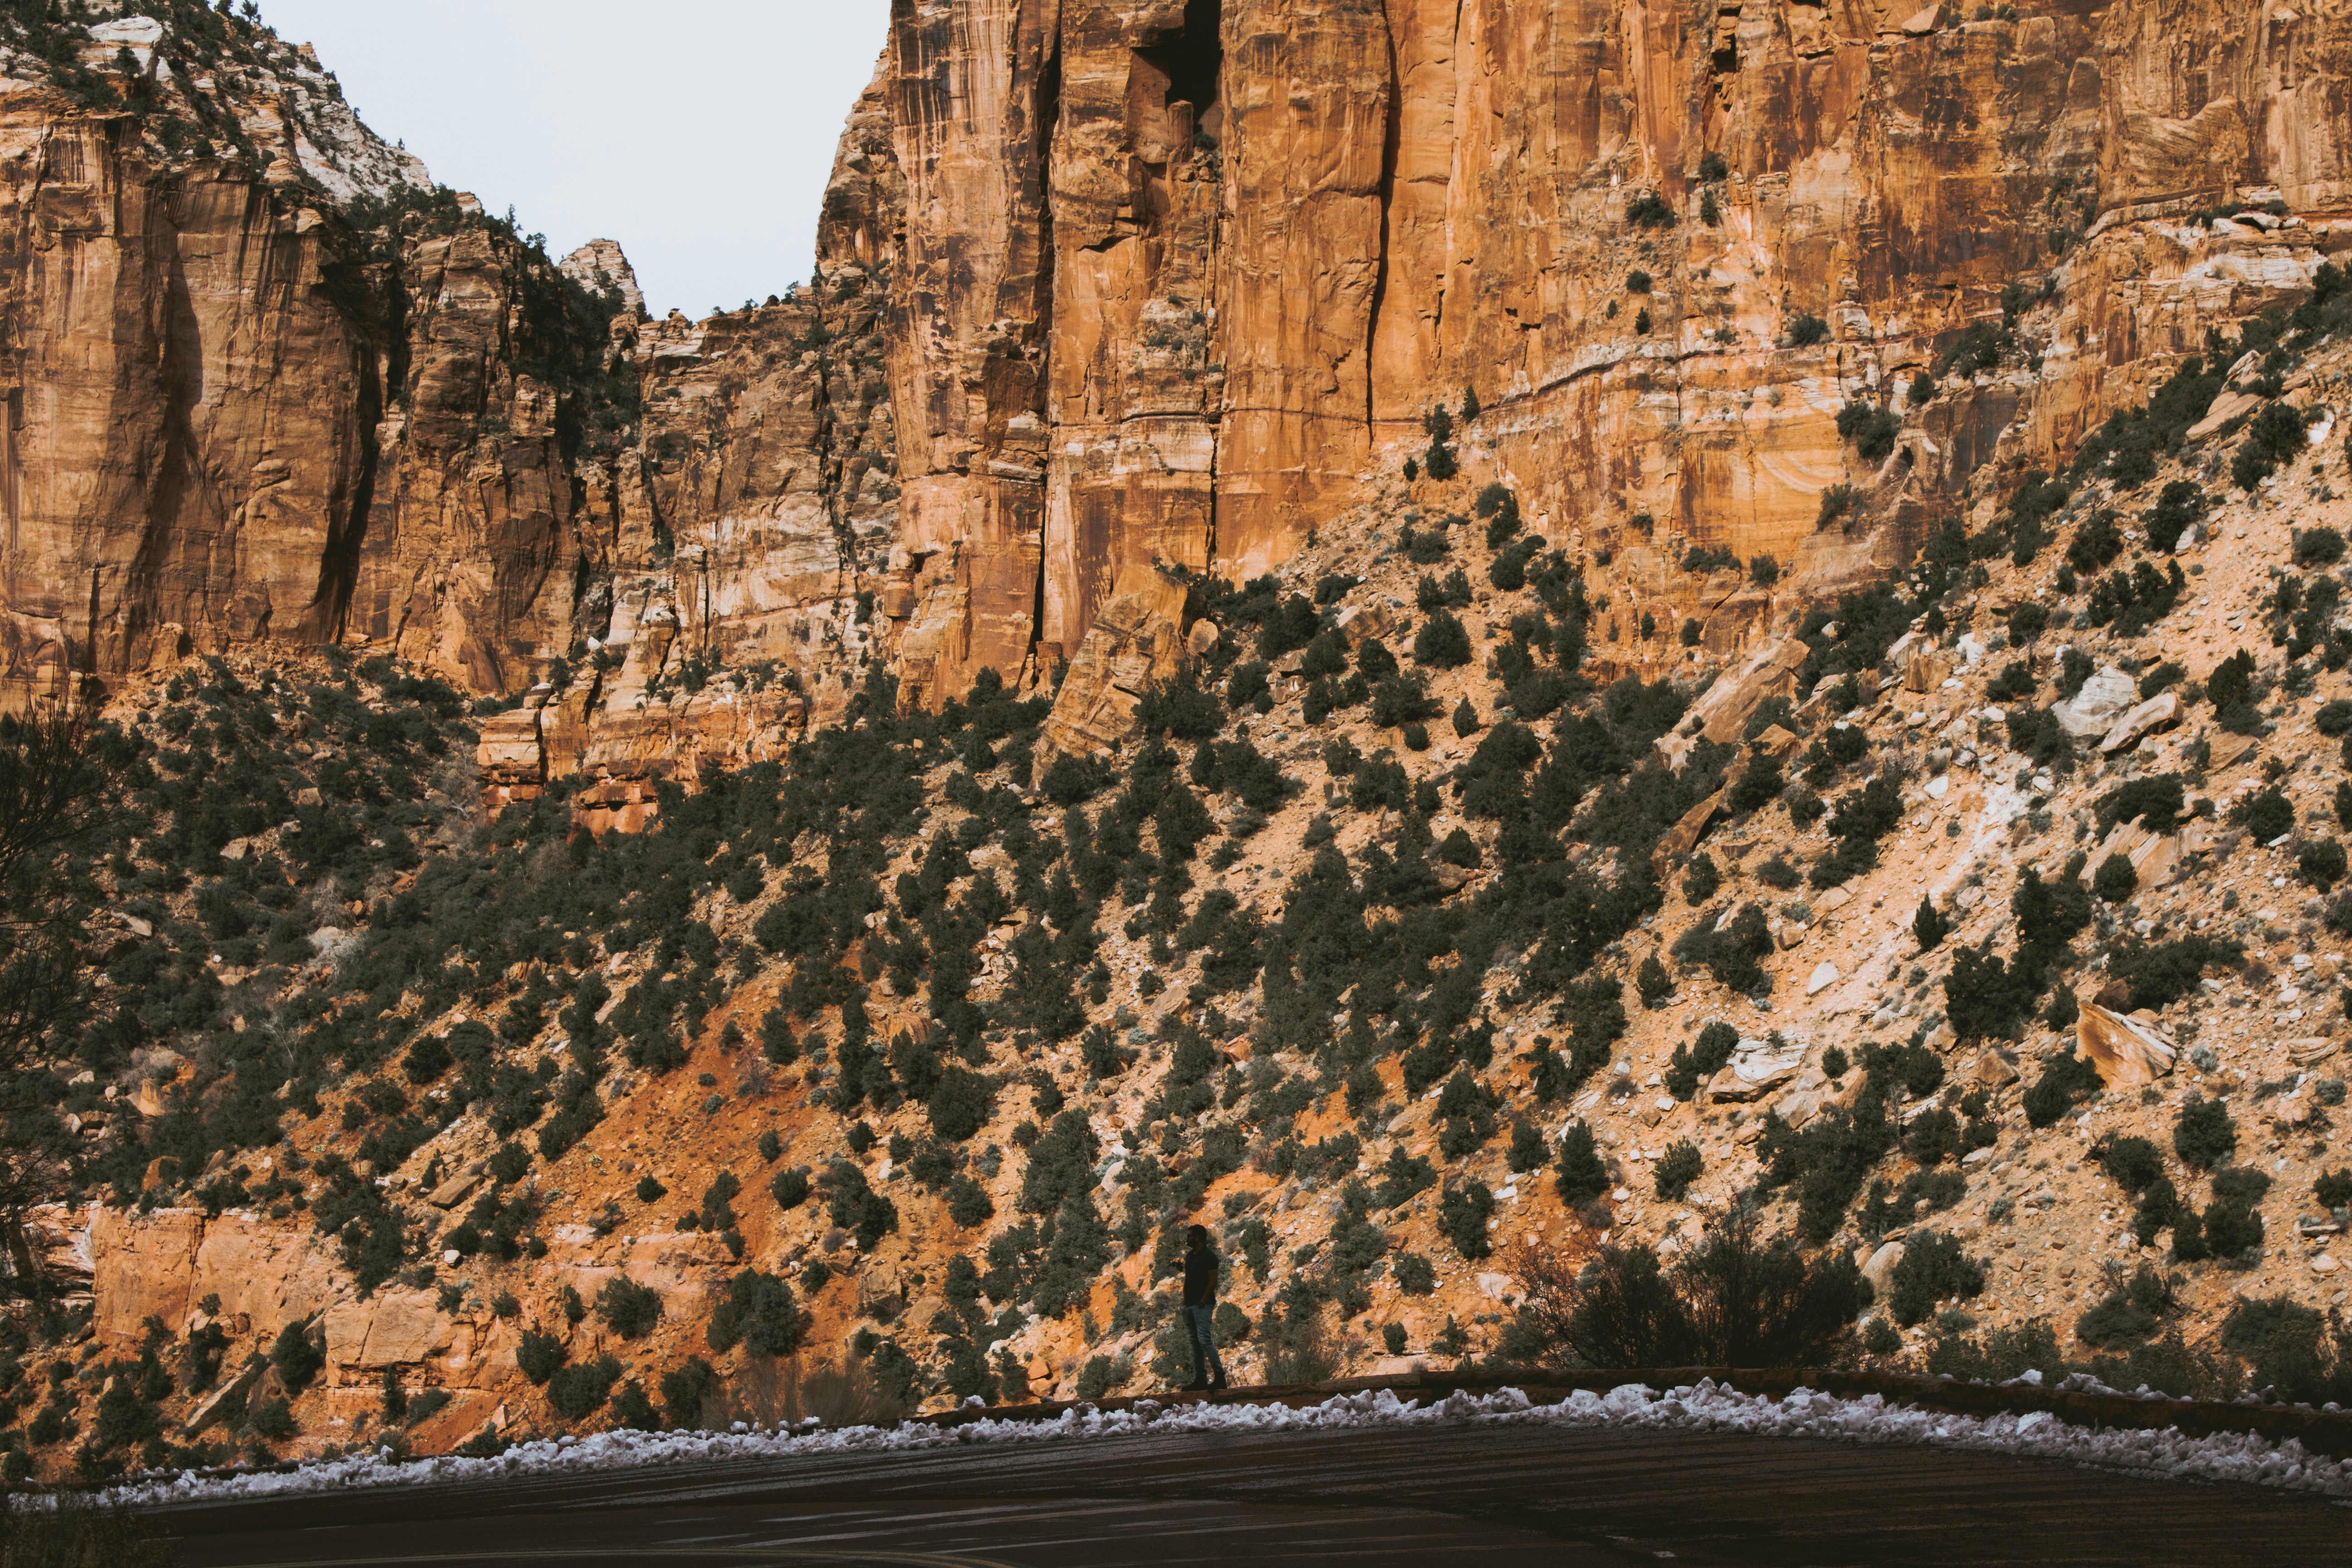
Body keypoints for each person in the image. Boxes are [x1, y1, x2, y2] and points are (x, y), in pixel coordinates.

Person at [1180, 1223, 1226, 1392]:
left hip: (1202, 1306)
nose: (1187, 1239)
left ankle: (1220, 1378)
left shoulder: (1209, 1256)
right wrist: (1186, 1304)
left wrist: (1203, 1301)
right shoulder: (1190, 1256)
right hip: (1191, 1306)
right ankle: (1201, 1379)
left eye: (1190, 1236)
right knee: (1195, 1343)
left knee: (1205, 1340)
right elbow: (1188, 1280)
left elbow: (1213, 1281)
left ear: (1197, 1238)